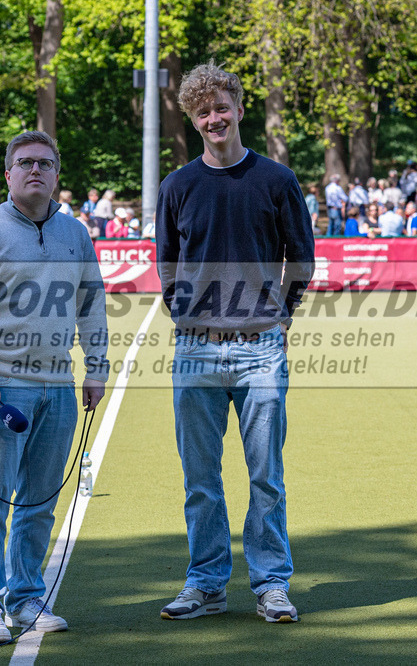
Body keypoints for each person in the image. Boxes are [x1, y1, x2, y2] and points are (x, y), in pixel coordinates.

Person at [155, 61, 313, 624]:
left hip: (260, 350)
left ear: (240, 109)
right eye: (203, 112)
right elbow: (166, 264)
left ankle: (271, 584)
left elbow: (303, 257)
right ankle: (206, 583)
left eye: (222, 107)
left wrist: (281, 316)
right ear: (193, 121)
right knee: (200, 479)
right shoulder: (177, 186)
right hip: (195, 350)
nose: (214, 119)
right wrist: (186, 316)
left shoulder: (277, 180)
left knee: (265, 475)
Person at [0, 130, 109, 643]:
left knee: (40, 500)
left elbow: (91, 302)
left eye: (45, 163)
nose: (34, 170)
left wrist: (97, 366)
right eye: (24, 163)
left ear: (57, 174)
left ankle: (25, 597)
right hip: (3, 385)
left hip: (58, 385)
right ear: (9, 174)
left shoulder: (75, 234)